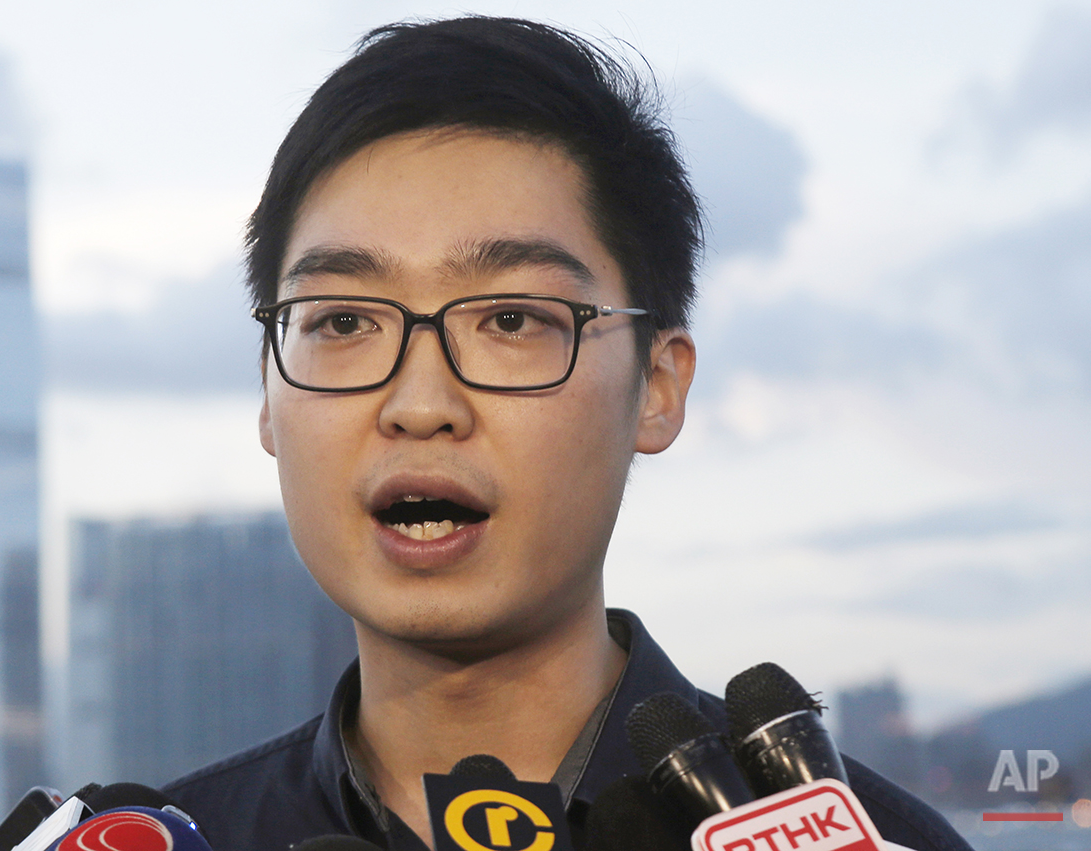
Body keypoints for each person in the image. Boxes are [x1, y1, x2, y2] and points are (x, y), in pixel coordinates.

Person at [164, 16, 969, 851]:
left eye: (510, 317)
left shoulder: (865, 841)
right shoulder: (167, 838)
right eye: (340, 320)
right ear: (267, 388)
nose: (420, 401)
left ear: (656, 386)